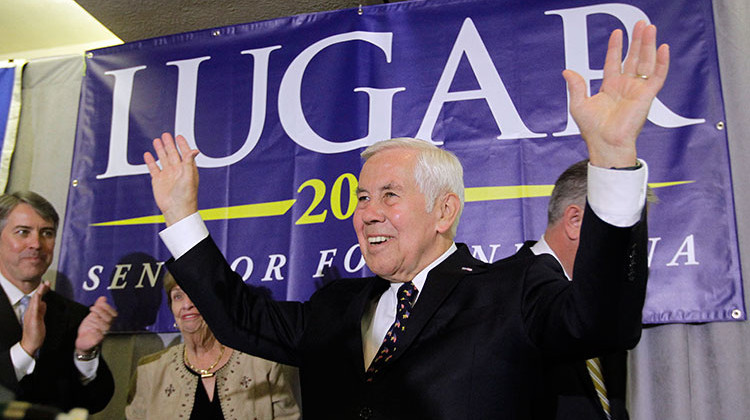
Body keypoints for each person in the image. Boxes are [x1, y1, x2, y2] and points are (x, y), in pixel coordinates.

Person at [144, 21, 666, 419]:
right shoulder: (335, 307)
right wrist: (180, 212)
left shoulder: (517, 289)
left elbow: (604, 322)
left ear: (445, 211)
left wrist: (614, 159)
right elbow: (238, 317)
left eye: (389, 195)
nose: (367, 211)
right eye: (362, 196)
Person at [518, 160, 652, 420]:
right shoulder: (501, 288)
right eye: (620, 230)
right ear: (575, 220)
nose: (629, 245)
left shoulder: (609, 300)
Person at [125, 271, 301, 419]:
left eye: (195, 294)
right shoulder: (149, 371)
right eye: (178, 296)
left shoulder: (262, 363)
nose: (187, 305)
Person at [0, 191, 116, 413]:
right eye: (23, 232)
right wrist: (26, 349)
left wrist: (85, 354)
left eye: (47, 233)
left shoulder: (75, 316)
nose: (36, 244)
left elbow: (95, 401)